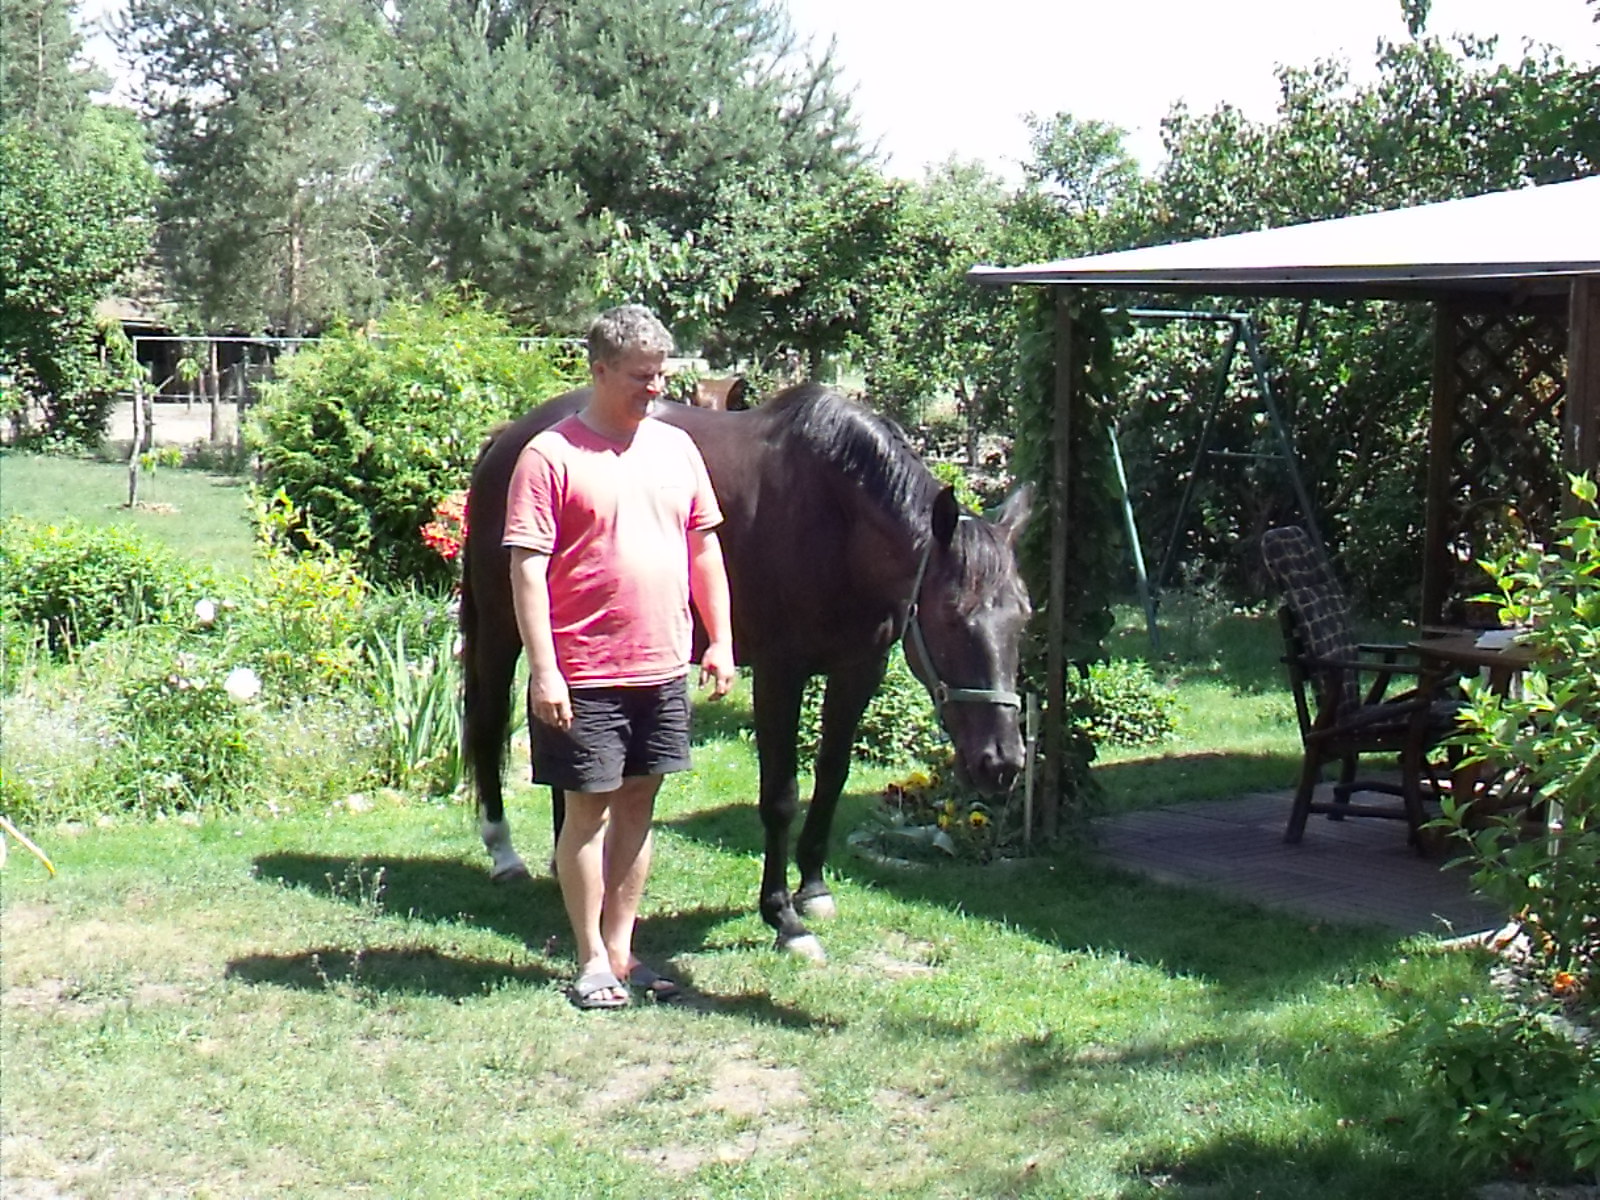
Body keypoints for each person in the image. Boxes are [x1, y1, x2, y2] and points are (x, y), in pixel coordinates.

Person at [503, 305, 736, 1010]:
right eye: (639, 377)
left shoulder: (676, 451)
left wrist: (719, 638)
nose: (653, 389)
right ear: (598, 371)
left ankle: (625, 950)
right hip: (584, 673)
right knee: (589, 810)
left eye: (660, 375)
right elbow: (526, 568)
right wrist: (545, 668)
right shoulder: (549, 456)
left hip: (660, 665)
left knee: (639, 804)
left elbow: (704, 547)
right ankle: (590, 960)